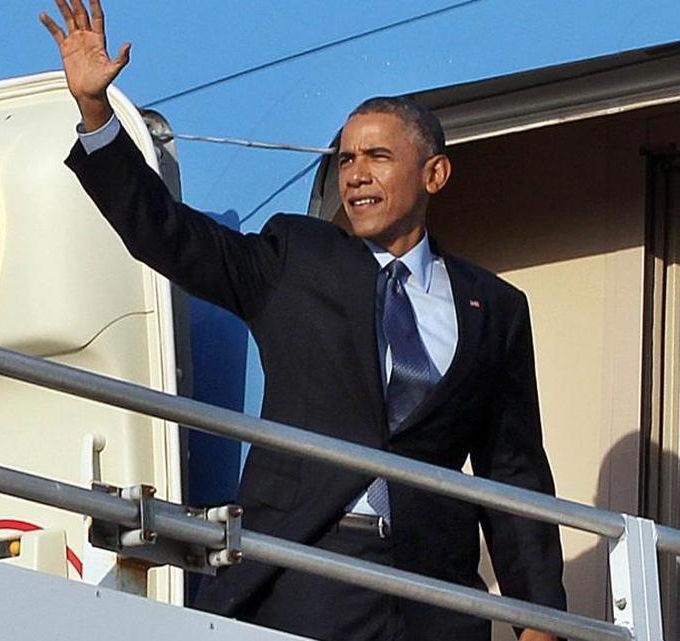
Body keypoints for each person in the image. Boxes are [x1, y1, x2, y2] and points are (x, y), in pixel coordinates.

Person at [41, 2, 565, 640]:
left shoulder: (495, 307)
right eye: (345, 160)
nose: (356, 175)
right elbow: (168, 235)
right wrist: (97, 115)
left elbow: (513, 469)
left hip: (435, 593)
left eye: (377, 156)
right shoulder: (298, 257)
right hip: (306, 573)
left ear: (435, 173)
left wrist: (538, 617)